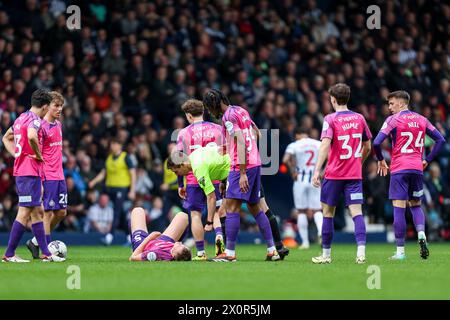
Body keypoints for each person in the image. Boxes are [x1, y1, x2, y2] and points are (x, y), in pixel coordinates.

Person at [202, 89, 280, 262]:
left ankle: (229, 254)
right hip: (255, 162)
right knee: (255, 207)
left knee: (231, 208)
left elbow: (242, 141)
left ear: (214, 104)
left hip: (241, 167)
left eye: (209, 108)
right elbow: (256, 133)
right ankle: (272, 250)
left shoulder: (228, 117)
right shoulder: (240, 110)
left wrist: (242, 172)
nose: (210, 112)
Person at [373, 90, 445, 260]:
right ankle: (421, 233)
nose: (389, 107)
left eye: (391, 103)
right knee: (416, 205)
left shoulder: (392, 120)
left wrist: (381, 160)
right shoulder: (422, 119)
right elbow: (440, 140)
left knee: (399, 208)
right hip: (417, 168)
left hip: (399, 169)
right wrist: (427, 160)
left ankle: (400, 252)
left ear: (402, 103)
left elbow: (376, 142)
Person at [311, 83, 372, 264]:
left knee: (328, 213)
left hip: (334, 174)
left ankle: (326, 255)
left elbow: (325, 145)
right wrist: (358, 162)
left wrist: (317, 170)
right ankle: (361, 253)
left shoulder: (330, 119)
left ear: (333, 99)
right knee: (357, 213)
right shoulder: (360, 118)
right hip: (354, 175)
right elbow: (368, 145)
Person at [1, 89, 64, 262]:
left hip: (24, 171)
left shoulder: (21, 117)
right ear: (45, 107)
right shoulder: (35, 121)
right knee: (24, 213)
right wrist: (38, 154)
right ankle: (9, 254)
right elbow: (31, 136)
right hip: (29, 172)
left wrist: (17, 154)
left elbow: (6, 137)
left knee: (38, 212)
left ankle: (46, 253)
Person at [176, 99, 225, 260]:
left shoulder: (183, 133)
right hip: (215, 175)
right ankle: (220, 245)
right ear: (203, 112)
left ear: (189, 116)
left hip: (193, 178)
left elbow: (178, 160)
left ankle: (201, 253)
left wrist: (179, 184)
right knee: (217, 212)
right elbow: (225, 152)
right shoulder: (218, 129)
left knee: (195, 214)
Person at [26, 91, 67, 258]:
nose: (59, 109)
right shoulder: (40, 126)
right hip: (47, 174)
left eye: (61, 106)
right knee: (48, 212)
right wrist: (40, 178)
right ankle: (47, 250)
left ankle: (36, 241)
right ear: (47, 106)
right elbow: (37, 152)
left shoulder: (58, 124)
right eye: (56, 106)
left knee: (62, 212)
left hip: (60, 174)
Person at [89, 138, 136, 245]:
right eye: (112, 144)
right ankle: (129, 236)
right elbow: (103, 173)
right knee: (121, 213)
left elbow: (133, 174)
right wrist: (94, 181)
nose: (112, 146)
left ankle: (109, 236)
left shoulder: (126, 157)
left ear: (120, 146)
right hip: (110, 188)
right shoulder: (109, 158)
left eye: (115, 144)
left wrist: (132, 190)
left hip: (121, 188)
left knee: (116, 211)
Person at [283, 127, 323, 249]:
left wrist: (292, 170)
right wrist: (323, 172)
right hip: (314, 179)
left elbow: (285, 159)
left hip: (300, 179)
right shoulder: (318, 144)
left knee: (301, 211)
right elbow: (331, 156)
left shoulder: (294, 145)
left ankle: (305, 242)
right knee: (317, 210)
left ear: (298, 135)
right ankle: (321, 232)